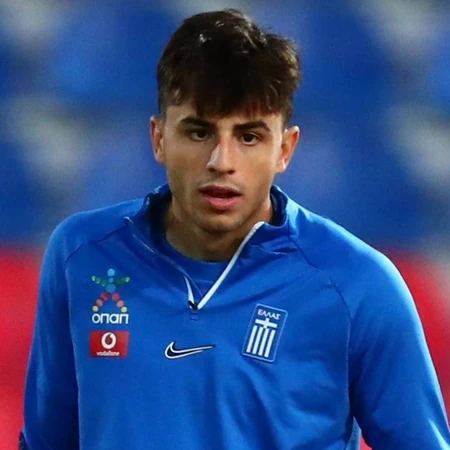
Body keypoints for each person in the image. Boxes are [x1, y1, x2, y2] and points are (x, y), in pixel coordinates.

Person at [21, 8, 450, 450]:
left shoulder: (356, 284)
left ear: (285, 149)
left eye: (249, 137)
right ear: (159, 139)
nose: (221, 162)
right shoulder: (82, 255)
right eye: (198, 133)